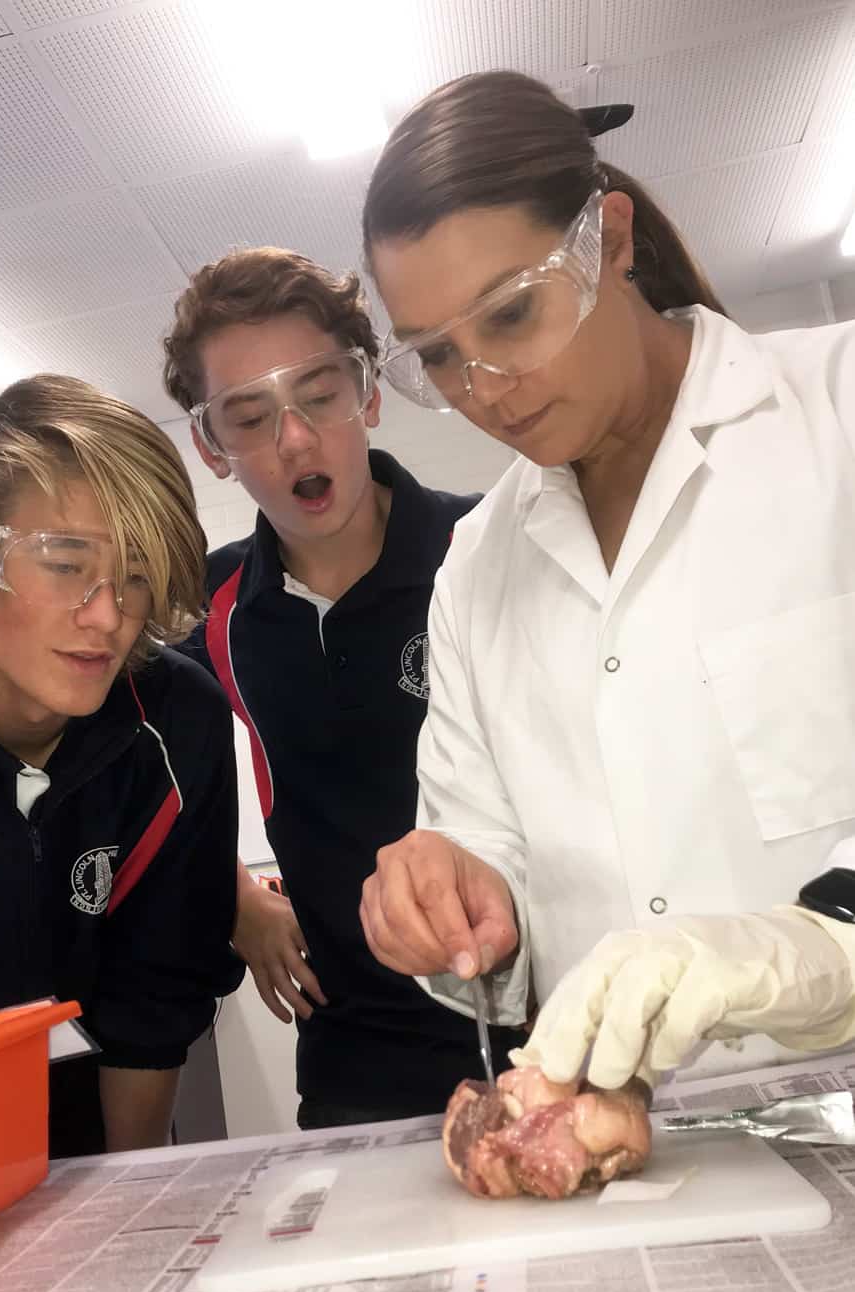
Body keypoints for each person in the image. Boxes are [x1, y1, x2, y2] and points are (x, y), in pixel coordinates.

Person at [357, 70, 855, 1091]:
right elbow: (481, 837)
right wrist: (457, 890)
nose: (484, 389)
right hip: (619, 1134)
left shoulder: (835, 413)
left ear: (610, 240)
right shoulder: (476, 564)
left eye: (510, 314)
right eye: (437, 357)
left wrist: (817, 946)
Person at [162, 247, 524, 1128]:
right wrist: (235, 895)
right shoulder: (211, 607)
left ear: (366, 394)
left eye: (319, 396)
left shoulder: (491, 547)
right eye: (250, 417)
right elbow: (130, 761)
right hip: (353, 1050)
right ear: (212, 448)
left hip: (539, 1020)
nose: (293, 439)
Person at [0, 375, 244, 1157]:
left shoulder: (178, 722)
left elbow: (154, 1000)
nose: (108, 616)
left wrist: (126, 1199)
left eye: (136, 574)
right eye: (65, 564)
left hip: (90, 1132)